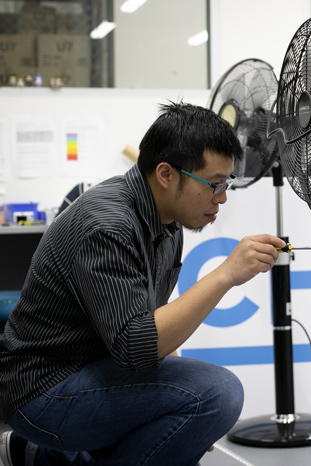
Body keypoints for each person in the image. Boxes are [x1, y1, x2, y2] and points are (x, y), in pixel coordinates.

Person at [0, 101, 286, 466]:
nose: (222, 197)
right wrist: (225, 275)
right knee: (218, 393)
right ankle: (50, 452)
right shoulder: (107, 226)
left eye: (226, 184)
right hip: (43, 389)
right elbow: (135, 348)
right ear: (166, 174)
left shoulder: (167, 221)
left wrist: (186, 412)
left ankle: (43, 458)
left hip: (90, 369)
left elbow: (148, 320)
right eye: (214, 184)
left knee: (198, 405)